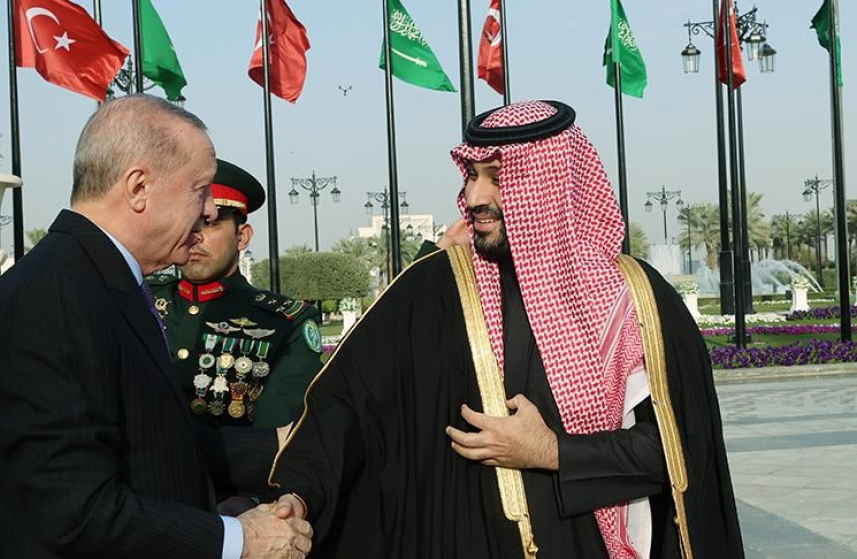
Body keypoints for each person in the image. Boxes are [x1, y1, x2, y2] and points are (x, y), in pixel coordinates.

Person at [268, 100, 743, 558]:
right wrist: (300, 496)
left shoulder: (635, 298)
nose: (475, 197)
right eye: (471, 176)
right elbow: (345, 405)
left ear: (550, 184)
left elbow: (680, 451)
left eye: (497, 178)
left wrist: (554, 452)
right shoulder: (431, 289)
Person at [0, 94, 311, 559]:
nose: (210, 210)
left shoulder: (95, 281)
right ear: (138, 187)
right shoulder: (53, 295)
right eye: (200, 189)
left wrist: (280, 445)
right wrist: (238, 540)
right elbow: (70, 510)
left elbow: (152, 445)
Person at [149, 160, 324, 430]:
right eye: (186, 222)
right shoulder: (139, 300)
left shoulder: (286, 322)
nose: (194, 236)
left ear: (242, 237)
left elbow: (277, 435)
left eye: (209, 223)